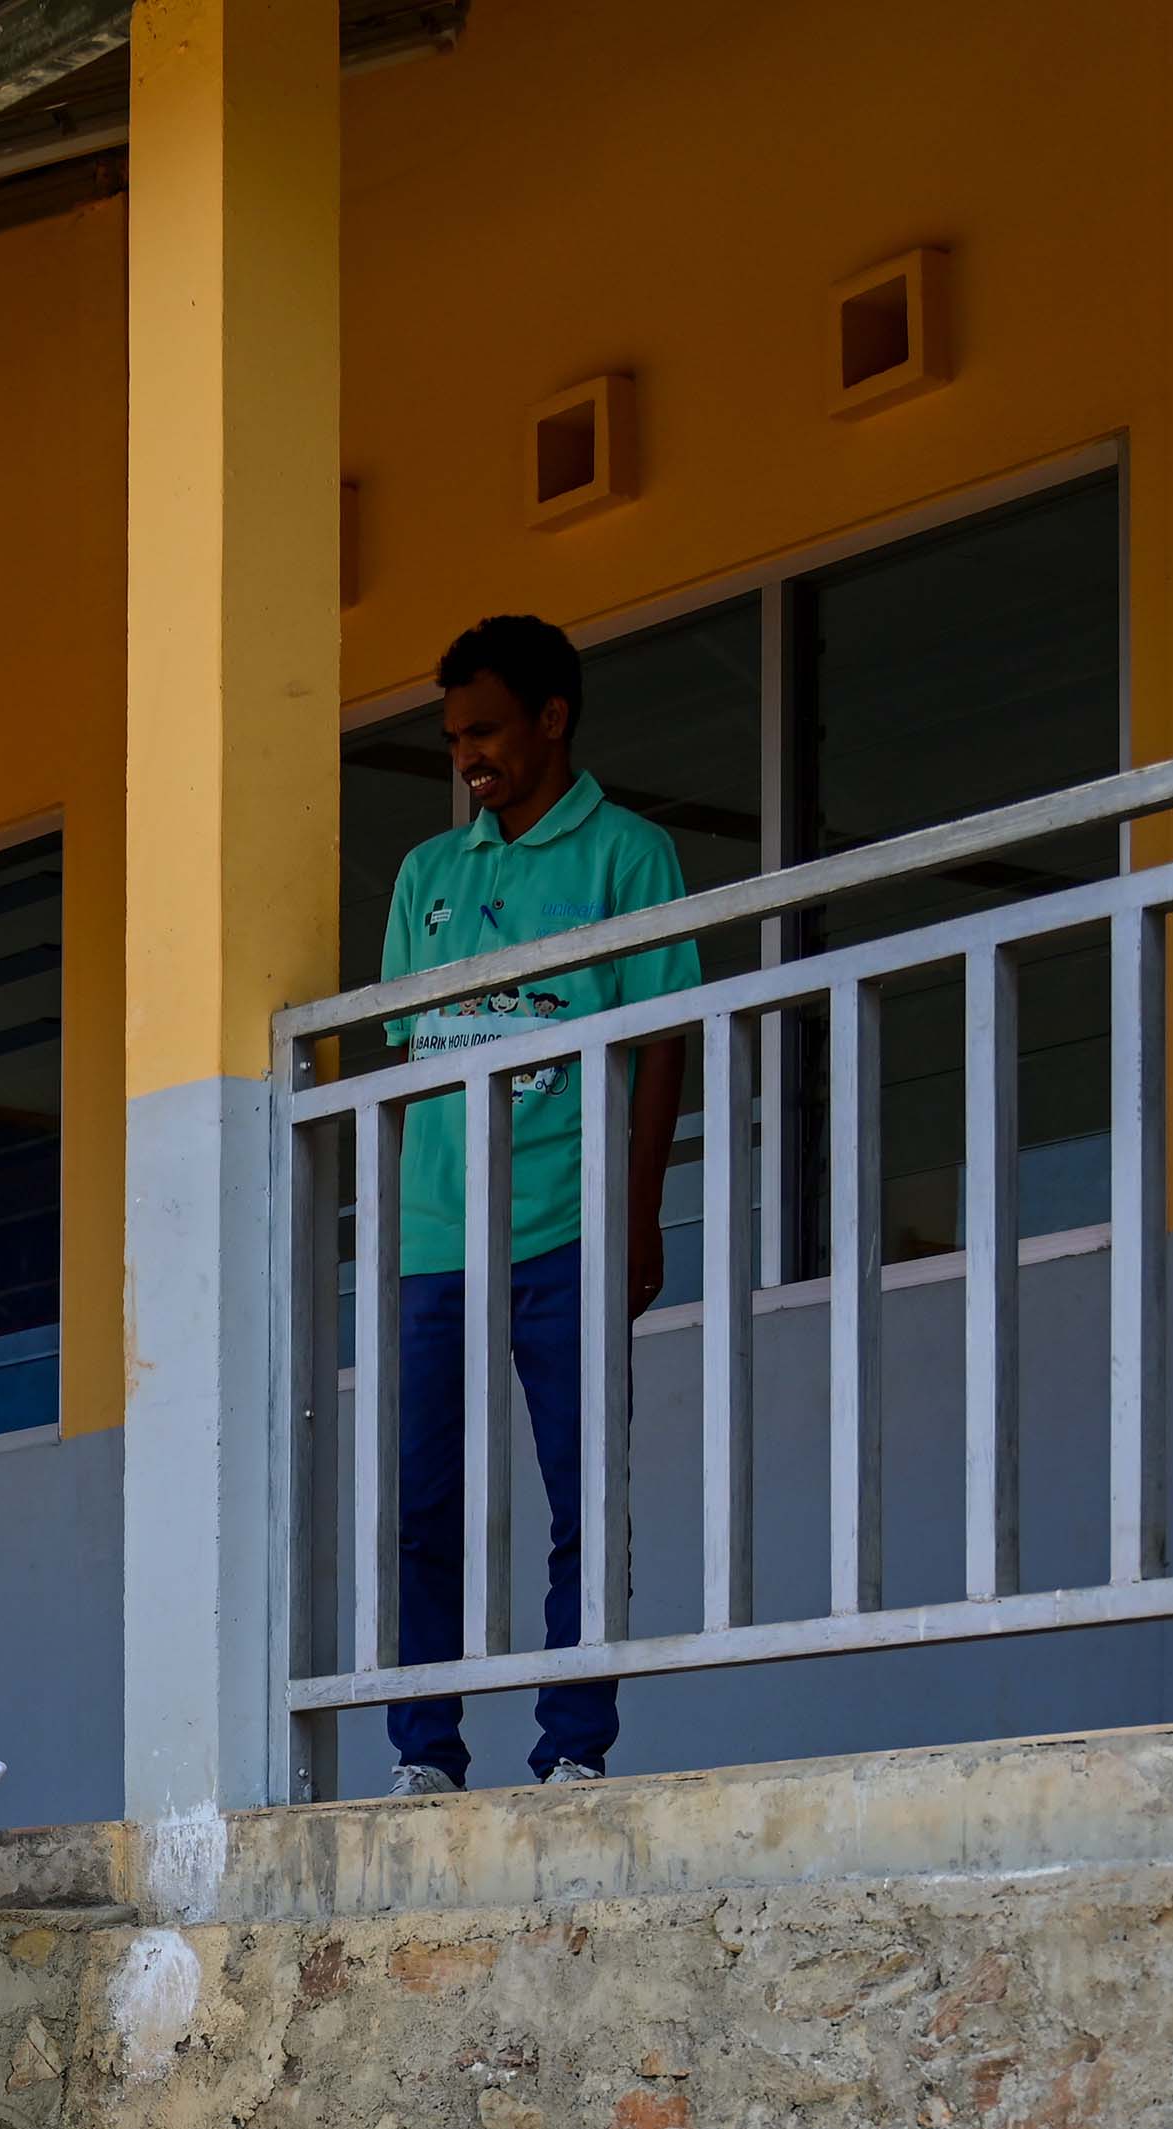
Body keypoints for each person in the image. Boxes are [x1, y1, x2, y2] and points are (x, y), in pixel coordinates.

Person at [376, 612, 700, 1793]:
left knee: (582, 1499)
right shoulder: (427, 873)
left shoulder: (626, 853)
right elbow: (406, 1051)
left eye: (487, 729)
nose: (468, 754)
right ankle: (424, 1754)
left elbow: (663, 1041)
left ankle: (572, 1747)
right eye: (454, 736)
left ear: (550, 719)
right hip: (435, 1241)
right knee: (424, 1508)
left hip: (569, 1226)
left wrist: (639, 1211)